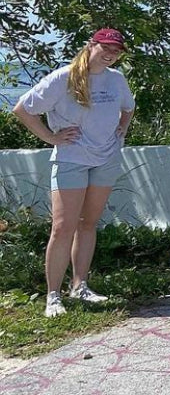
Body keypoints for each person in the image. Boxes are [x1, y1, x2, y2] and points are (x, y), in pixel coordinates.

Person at [12, 28, 136, 318]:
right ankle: (53, 296)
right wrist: (50, 138)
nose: (111, 55)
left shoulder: (116, 80)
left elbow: (128, 108)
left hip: (106, 160)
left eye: (116, 51)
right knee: (62, 227)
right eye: (106, 48)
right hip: (71, 160)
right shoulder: (63, 78)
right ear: (91, 45)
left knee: (88, 223)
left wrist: (122, 130)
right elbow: (22, 109)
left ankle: (80, 285)